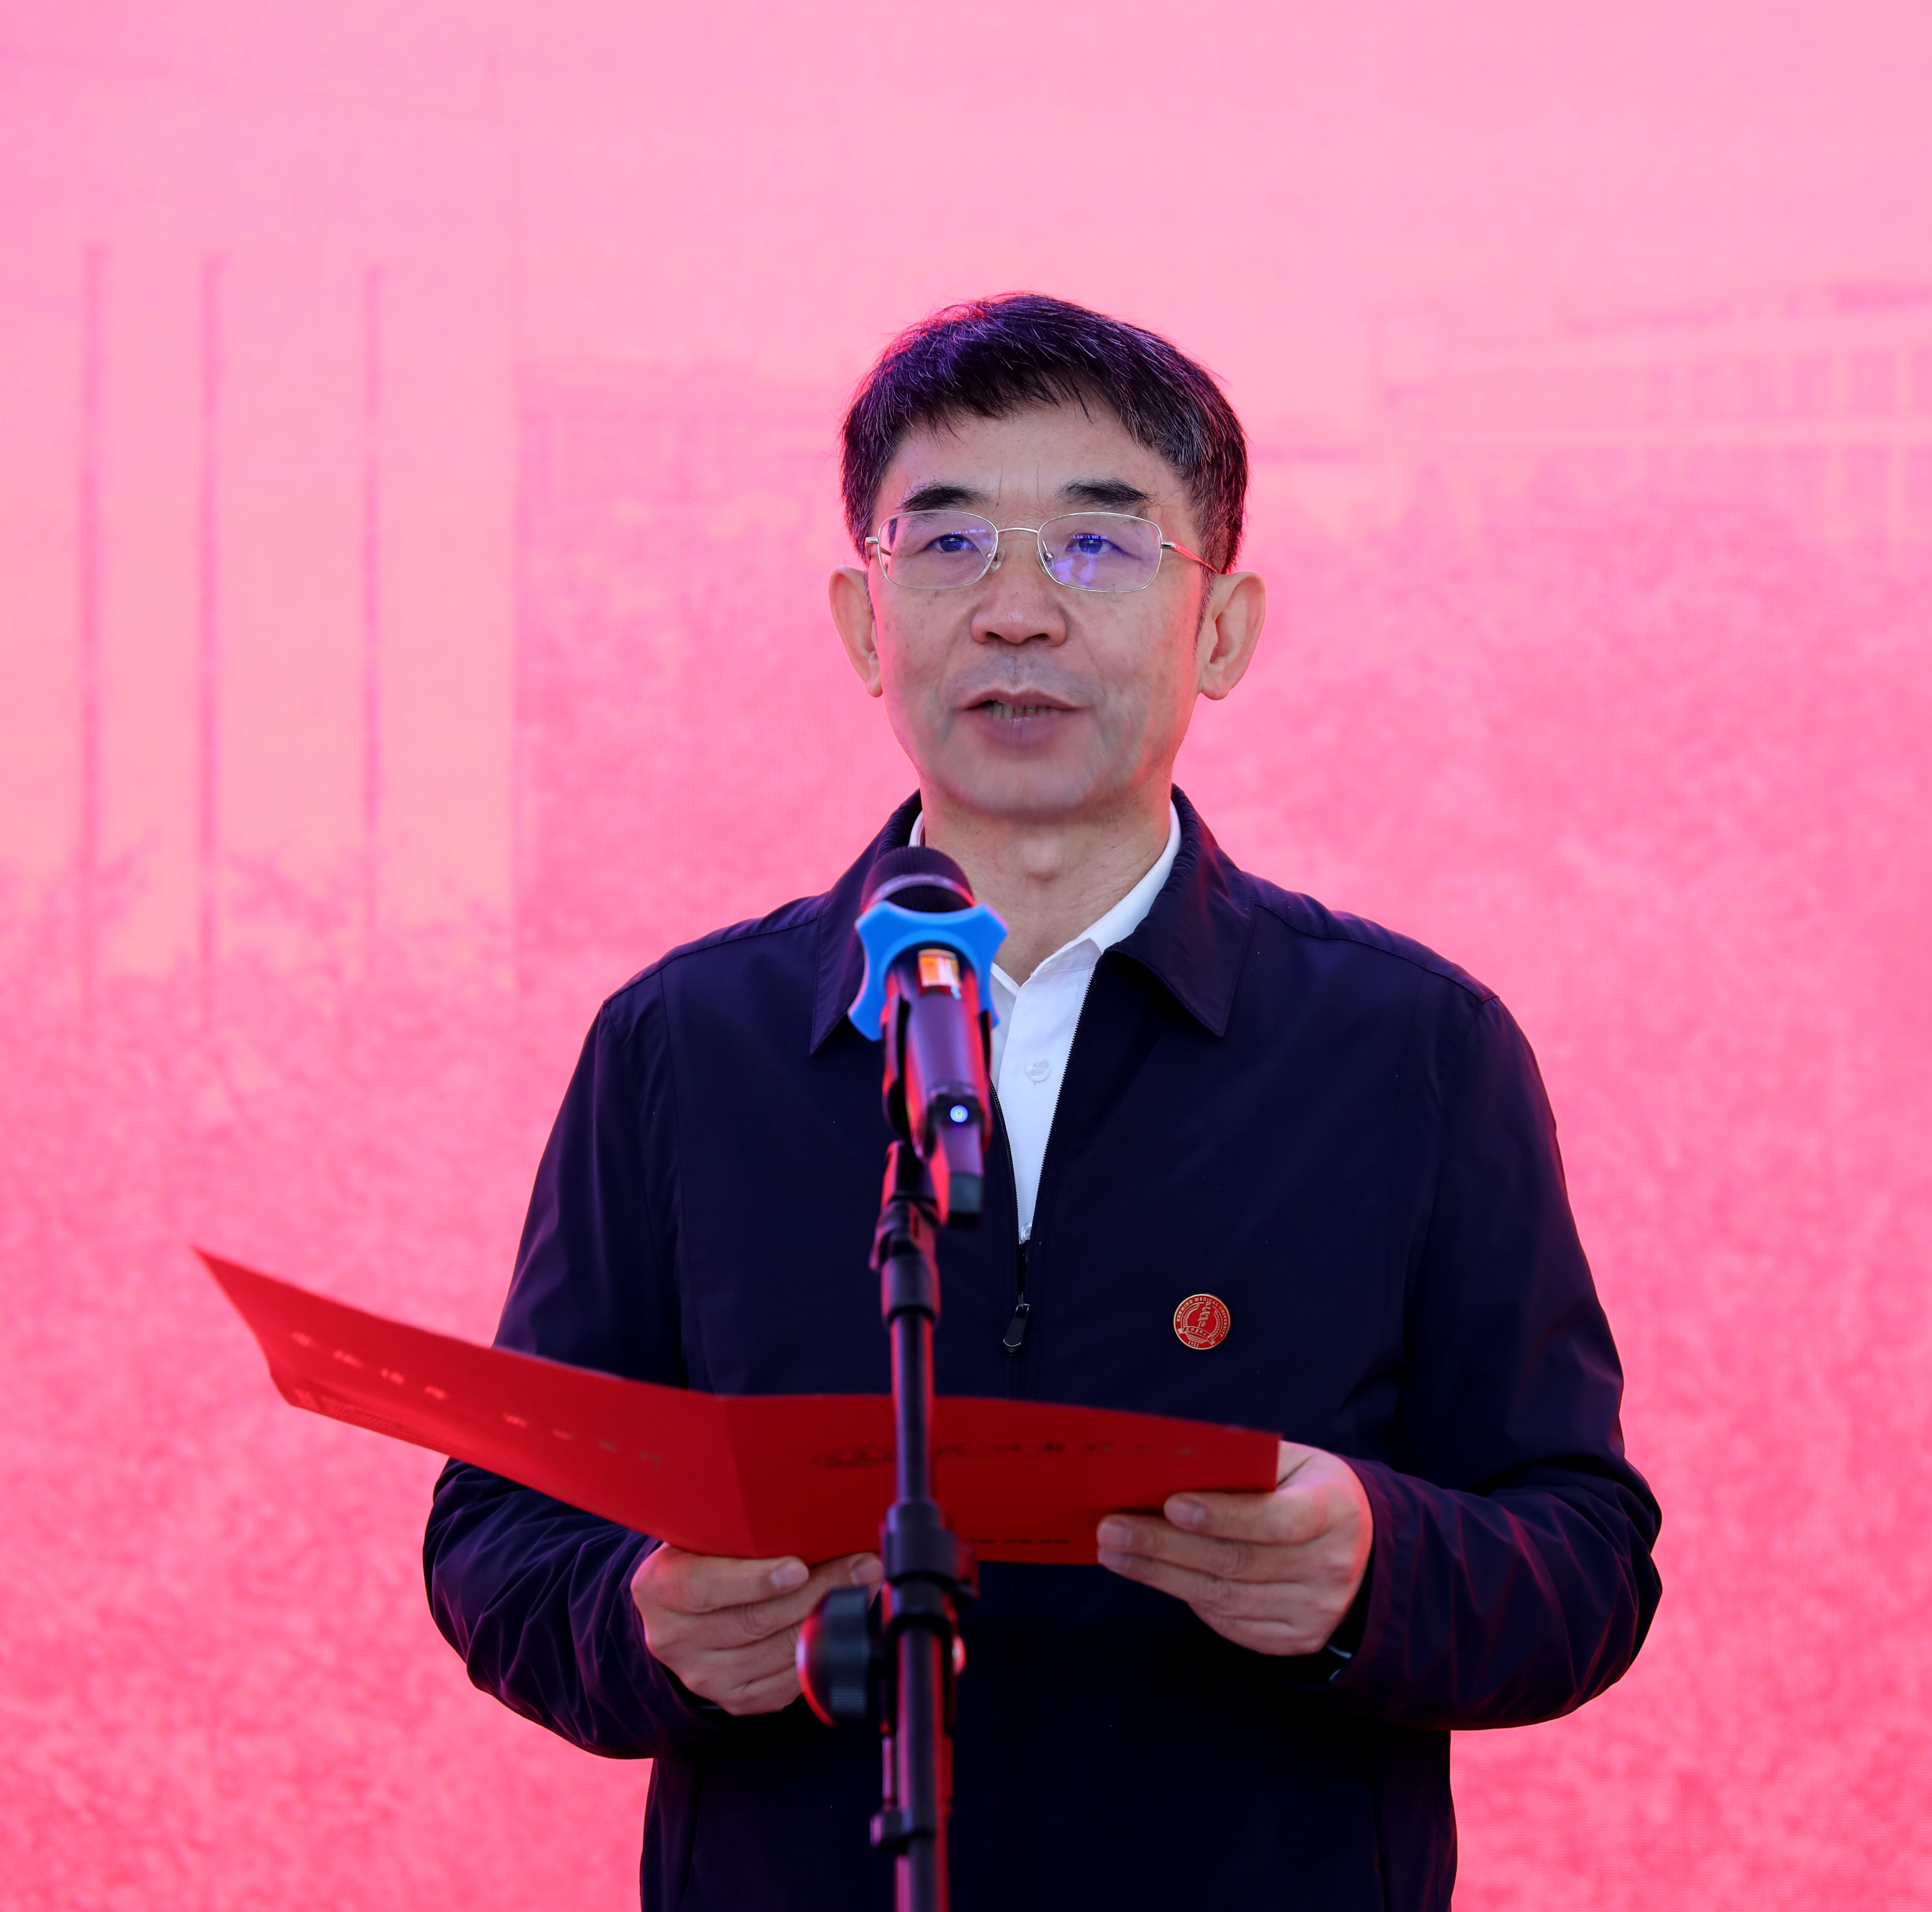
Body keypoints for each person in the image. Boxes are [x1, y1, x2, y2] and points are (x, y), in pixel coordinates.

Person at [423, 293, 1661, 1912]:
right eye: (946, 546)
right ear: (865, 624)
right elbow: (499, 1527)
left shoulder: (1413, 1049)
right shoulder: (684, 1045)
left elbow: (1585, 1557)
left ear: (1222, 631)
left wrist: (1378, 1568)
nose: (1016, 613)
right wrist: (637, 1623)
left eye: (1098, 545)